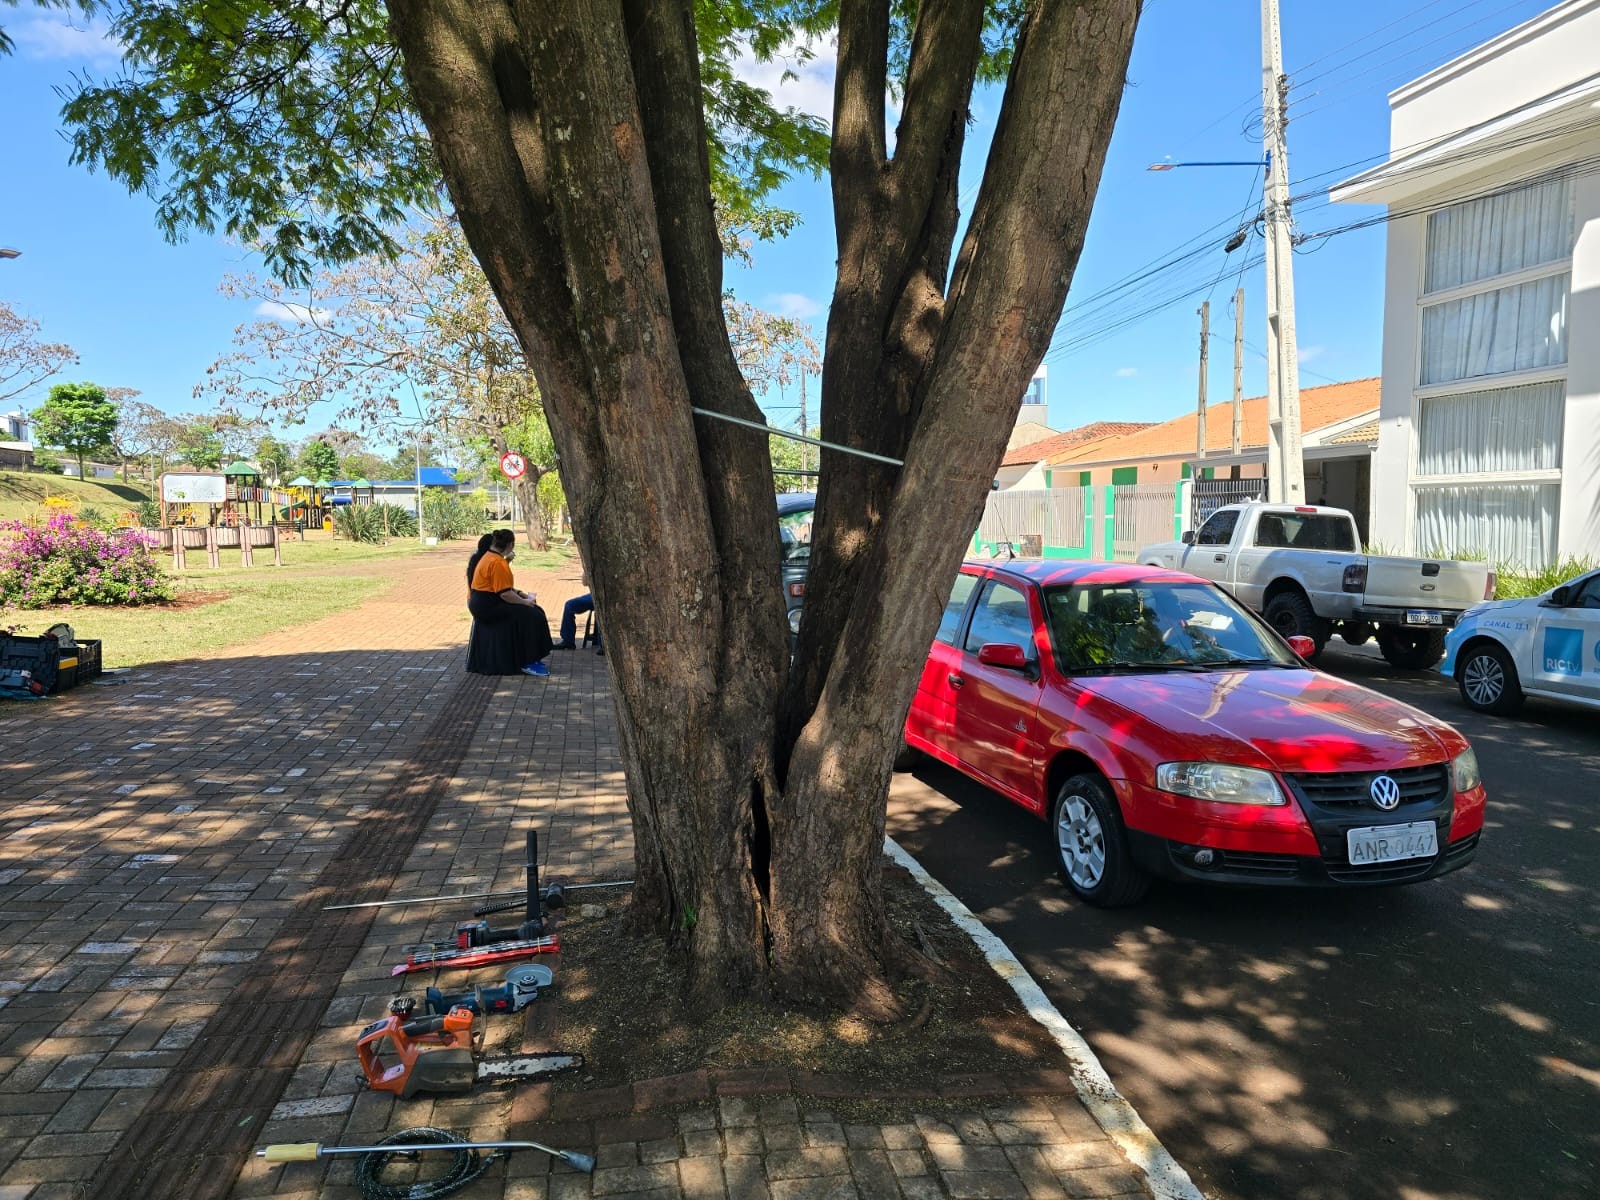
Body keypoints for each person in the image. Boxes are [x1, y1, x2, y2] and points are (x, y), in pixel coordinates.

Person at [466, 529, 554, 677]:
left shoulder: (487, 557)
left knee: (532, 612)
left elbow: (502, 588)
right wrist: (525, 602)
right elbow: (505, 594)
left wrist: (520, 596)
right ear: (511, 545)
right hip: (489, 606)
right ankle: (529, 660)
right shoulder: (498, 562)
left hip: (481, 603)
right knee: (533, 616)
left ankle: (529, 657)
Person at [555, 572, 601, 652]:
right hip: (596, 594)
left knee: (569, 605)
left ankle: (602, 644)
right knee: (569, 605)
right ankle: (568, 641)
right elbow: (585, 582)